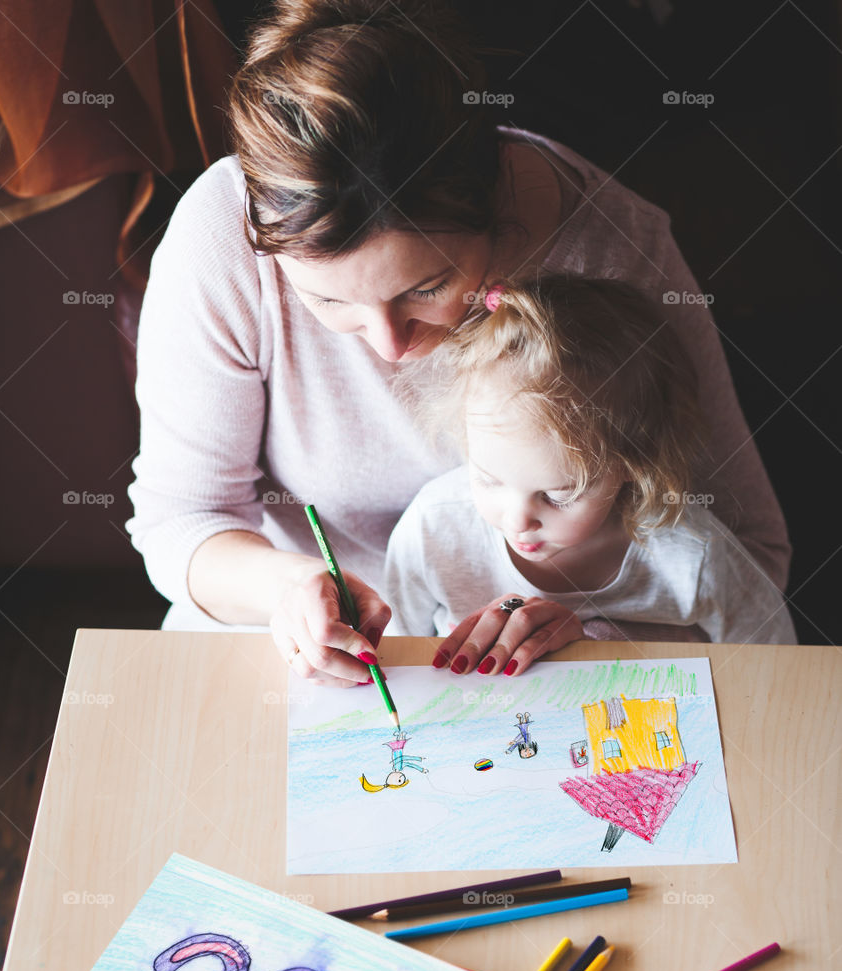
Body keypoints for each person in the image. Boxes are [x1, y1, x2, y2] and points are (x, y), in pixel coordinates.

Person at [126, 0, 791, 686]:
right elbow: (183, 519)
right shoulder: (221, 238)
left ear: (497, 212)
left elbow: (747, 551)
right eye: (327, 300)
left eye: (426, 287)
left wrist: (595, 632)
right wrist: (288, 589)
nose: (386, 345)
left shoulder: (616, 250)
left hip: (546, 666)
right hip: (289, 645)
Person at [384, 276, 796, 673]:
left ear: (634, 464)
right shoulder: (432, 527)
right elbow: (400, 654)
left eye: (559, 495)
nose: (518, 521)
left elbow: (773, 659)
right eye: (489, 478)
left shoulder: (691, 555)